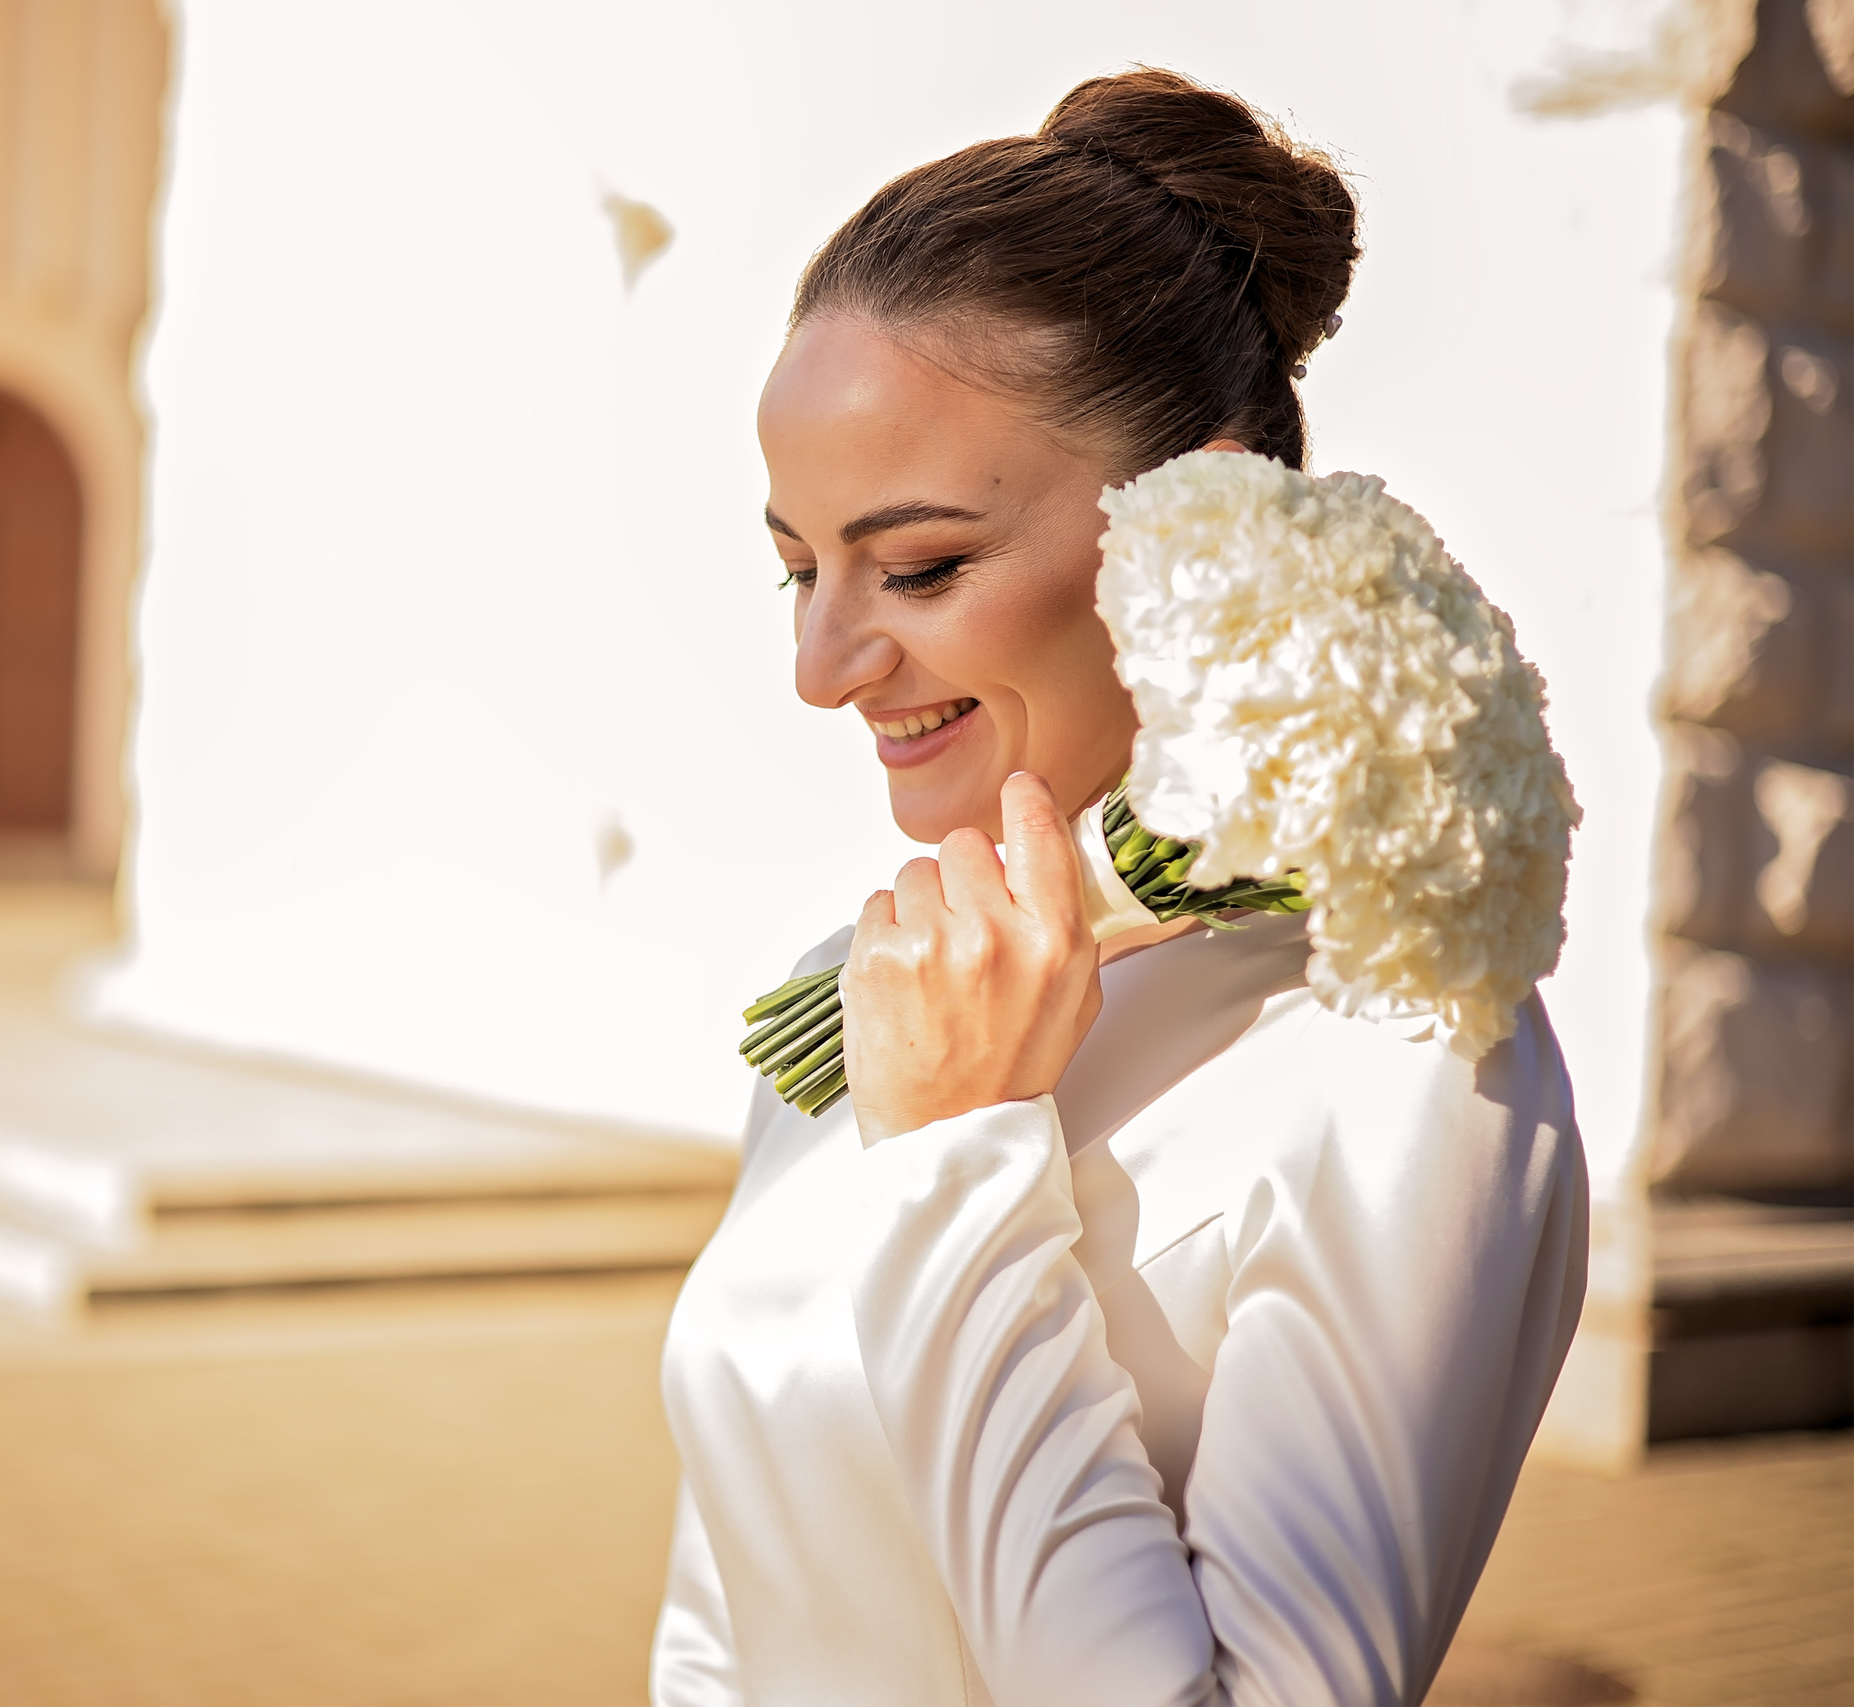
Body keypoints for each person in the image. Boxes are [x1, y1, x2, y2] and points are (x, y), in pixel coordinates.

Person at [651, 69, 1587, 1706]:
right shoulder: (871, 987)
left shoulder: (1408, 1057)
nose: (821, 667)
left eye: (923, 564)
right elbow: (720, 1627)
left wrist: (952, 1165)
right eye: (799, 569)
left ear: (1193, 519)